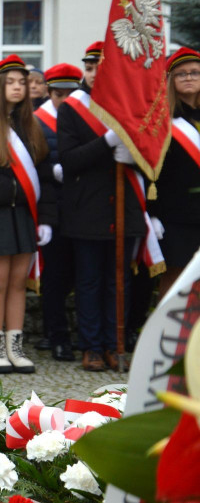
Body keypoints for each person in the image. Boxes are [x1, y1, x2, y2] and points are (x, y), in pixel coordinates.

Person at [58, 42, 144, 372]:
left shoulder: (131, 106)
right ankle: (92, 346)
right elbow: (69, 160)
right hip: (87, 210)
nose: (94, 75)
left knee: (119, 281)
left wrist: (132, 159)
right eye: (90, 68)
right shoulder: (71, 109)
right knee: (90, 281)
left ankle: (114, 344)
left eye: (101, 68)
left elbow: (151, 158)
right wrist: (107, 143)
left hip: (126, 207)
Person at [0, 55, 54, 374]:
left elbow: (42, 176)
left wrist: (46, 219)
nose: (19, 87)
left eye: (23, 82)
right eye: (12, 82)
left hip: (25, 215)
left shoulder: (32, 127)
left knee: (19, 282)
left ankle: (16, 348)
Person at [33, 63, 83, 362]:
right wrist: (52, 170)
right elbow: (32, 165)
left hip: (81, 207)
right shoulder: (38, 122)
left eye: (70, 93)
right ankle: (56, 334)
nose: (64, 98)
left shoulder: (82, 118)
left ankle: (73, 333)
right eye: (59, 93)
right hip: (52, 209)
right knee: (54, 277)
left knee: (80, 276)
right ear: (49, 92)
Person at [152, 47, 200, 299]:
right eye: (181, 74)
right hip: (175, 212)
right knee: (175, 275)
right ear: (170, 80)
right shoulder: (163, 119)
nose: (189, 77)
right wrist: (152, 213)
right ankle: (168, 336)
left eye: (194, 72)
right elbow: (152, 171)